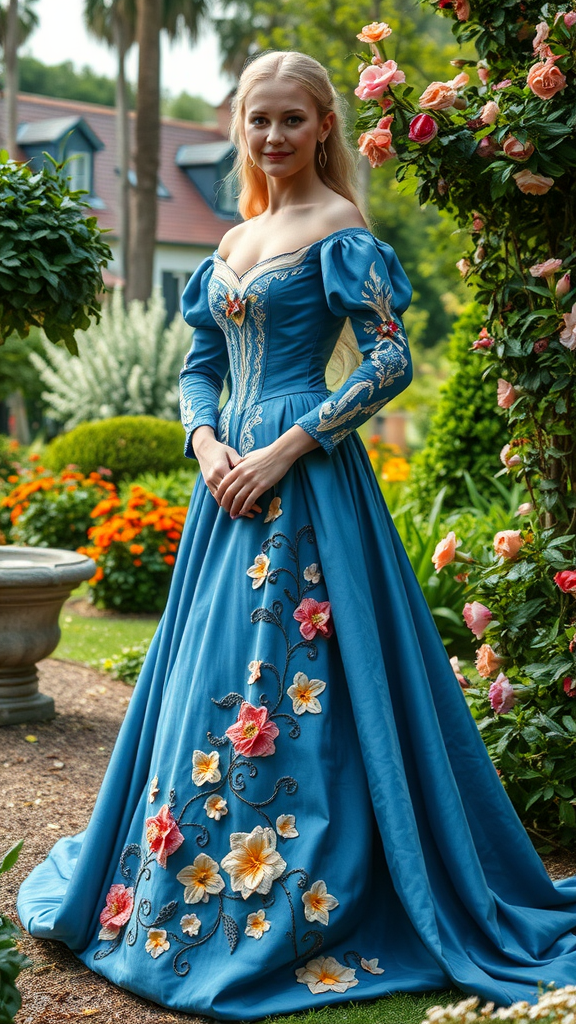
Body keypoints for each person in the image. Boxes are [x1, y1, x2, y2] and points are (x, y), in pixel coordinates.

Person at [17, 50, 576, 1020]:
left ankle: (299, 891)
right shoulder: (233, 240)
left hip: (305, 482)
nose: (271, 135)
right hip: (223, 487)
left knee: (298, 676)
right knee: (207, 675)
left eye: (290, 118)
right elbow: (199, 366)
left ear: (324, 126)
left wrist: (283, 450)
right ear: (240, 126)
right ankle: (183, 872)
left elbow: (390, 360)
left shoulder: (339, 224)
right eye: (257, 118)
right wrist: (205, 446)